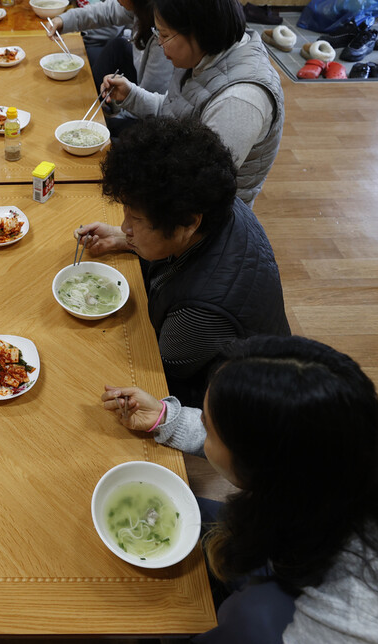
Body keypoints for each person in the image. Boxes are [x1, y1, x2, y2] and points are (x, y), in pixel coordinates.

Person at [100, 335, 378, 644]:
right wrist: (164, 419)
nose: (202, 425)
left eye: (209, 425)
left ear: (266, 473)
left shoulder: (337, 625)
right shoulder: (352, 426)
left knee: (247, 615)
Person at [76, 116, 289, 407]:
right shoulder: (217, 202)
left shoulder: (202, 313)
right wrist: (123, 239)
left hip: (219, 399)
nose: (125, 225)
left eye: (136, 220)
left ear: (187, 222)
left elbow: (160, 371)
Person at [99, 0, 284, 205]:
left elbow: (197, 191)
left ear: (199, 31)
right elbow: (175, 112)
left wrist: (129, 232)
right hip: (179, 176)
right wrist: (131, 96)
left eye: (165, 35)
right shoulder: (203, 58)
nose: (159, 42)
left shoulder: (238, 102)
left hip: (202, 218)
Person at [46, 0, 170, 133]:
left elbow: (153, 105)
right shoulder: (141, 9)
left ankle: (107, 112)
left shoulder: (162, 40)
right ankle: (94, 104)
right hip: (145, 92)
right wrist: (64, 20)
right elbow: (108, 11)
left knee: (107, 130)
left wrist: (118, 117)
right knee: (117, 47)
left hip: (153, 116)